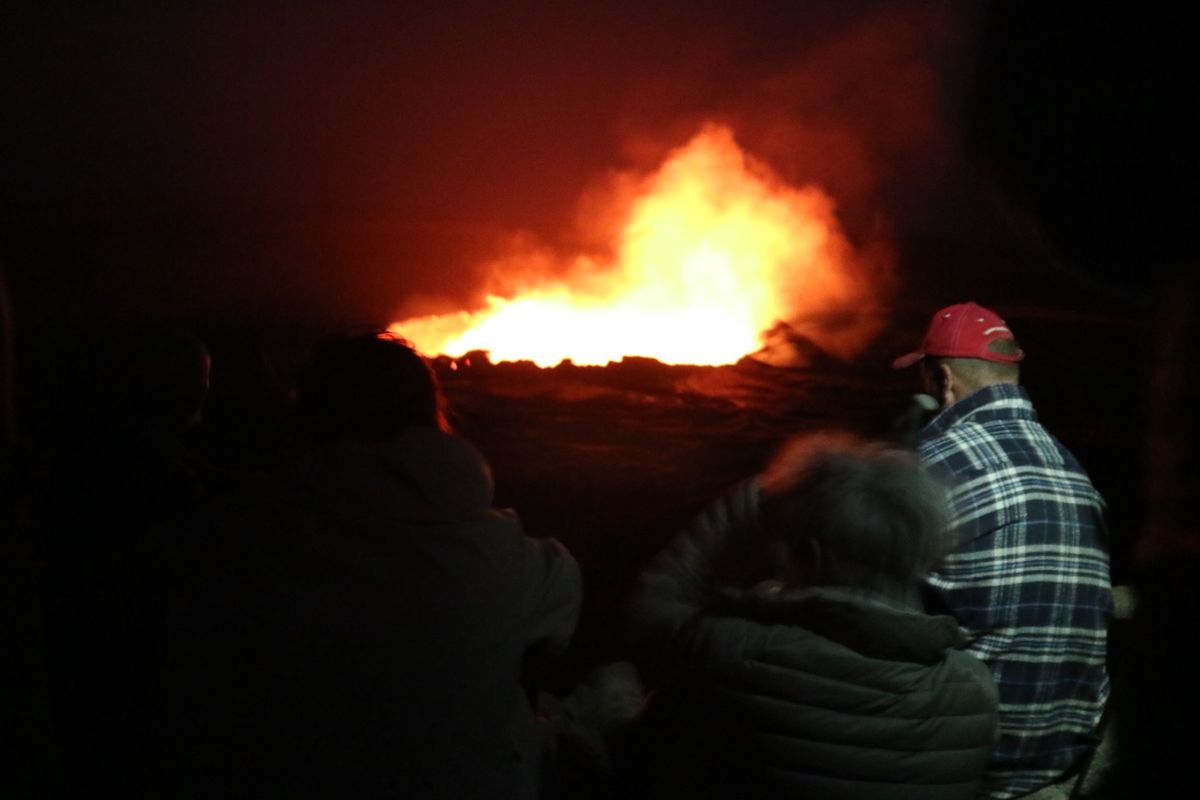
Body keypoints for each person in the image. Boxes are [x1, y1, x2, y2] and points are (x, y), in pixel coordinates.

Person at [162, 331, 581, 799]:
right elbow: (562, 603)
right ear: (429, 415)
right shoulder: (508, 555)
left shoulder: (241, 536)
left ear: (308, 418)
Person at [627, 433, 999, 800]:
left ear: (814, 556)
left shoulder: (742, 655)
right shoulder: (974, 689)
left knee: (615, 693)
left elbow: (655, 612)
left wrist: (756, 496)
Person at [893, 302, 1111, 799]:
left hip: (964, 762)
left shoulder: (929, 466)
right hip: (1061, 757)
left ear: (943, 380)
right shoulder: (1075, 471)